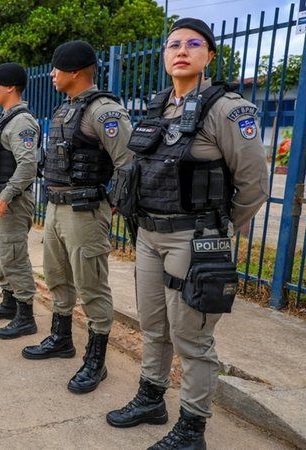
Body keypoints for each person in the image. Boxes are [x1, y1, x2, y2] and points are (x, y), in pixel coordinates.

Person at [105, 18, 269, 450]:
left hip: (193, 239)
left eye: (193, 44)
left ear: (209, 55)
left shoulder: (228, 109)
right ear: (164, 56)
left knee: (192, 338)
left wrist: (219, 230)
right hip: (149, 235)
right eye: (173, 44)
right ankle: (150, 397)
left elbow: (254, 185)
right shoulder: (159, 105)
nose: (182, 50)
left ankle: (192, 428)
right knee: (154, 326)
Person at [21, 40, 133, 395]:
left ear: (74, 72)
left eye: (56, 68)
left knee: (91, 285)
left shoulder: (104, 112)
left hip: (85, 211)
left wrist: (110, 203)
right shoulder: (65, 109)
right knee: (56, 277)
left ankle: (96, 361)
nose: (52, 75)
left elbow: (129, 165)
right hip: (55, 208)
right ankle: (61, 338)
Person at [0, 62, 41, 340]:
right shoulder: (5, 118)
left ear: (11, 87)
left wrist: (4, 197)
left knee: (14, 257)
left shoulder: (22, 122)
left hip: (11, 201)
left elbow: (28, 166)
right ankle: (9, 303)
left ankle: (25, 317)